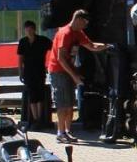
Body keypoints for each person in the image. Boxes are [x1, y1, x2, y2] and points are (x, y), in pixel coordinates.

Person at [46, 9, 109, 144]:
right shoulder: (65, 33)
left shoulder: (78, 33)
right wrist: (74, 75)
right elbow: (61, 58)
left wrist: (107, 46)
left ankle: (67, 132)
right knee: (62, 103)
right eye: (84, 23)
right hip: (58, 71)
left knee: (69, 103)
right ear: (78, 19)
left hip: (69, 70)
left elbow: (91, 46)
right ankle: (60, 133)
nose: (85, 27)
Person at [16, 20, 52, 130]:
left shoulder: (43, 40)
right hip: (28, 72)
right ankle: (35, 119)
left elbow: (54, 48)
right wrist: (20, 71)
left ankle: (40, 119)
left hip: (40, 70)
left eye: (31, 29)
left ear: (34, 29)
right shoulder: (23, 42)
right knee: (31, 95)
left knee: (40, 93)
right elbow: (20, 58)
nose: (29, 31)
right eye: (27, 30)